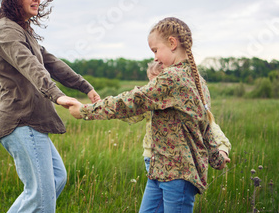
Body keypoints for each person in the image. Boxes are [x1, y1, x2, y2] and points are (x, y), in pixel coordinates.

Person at [69, 17, 230, 213]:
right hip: (158, 171)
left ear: (172, 43)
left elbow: (133, 100)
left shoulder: (173, 78)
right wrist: (217, 158)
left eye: (155, 50)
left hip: (178, 176)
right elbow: (203, 127)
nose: (154, 58)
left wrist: (85, 111)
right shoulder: (197, 81)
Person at [0, 0, 100, 212]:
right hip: (20, 119)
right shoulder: (5, 31)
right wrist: (57, 95)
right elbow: (30, 65)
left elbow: (51, 63)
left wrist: (85, 86)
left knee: (56, 179)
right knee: (41, 196)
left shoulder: (23, 31)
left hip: (33, 121)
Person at [123, 61, 231, 174]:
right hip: (151, 158)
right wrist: (105, 106)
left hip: (176, 162)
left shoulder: (184, 106)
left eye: (156, 83)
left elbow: (212, 129)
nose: (152, 88)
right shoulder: (149, 102)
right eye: (150, 83)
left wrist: (222, 151)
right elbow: (132, 114)